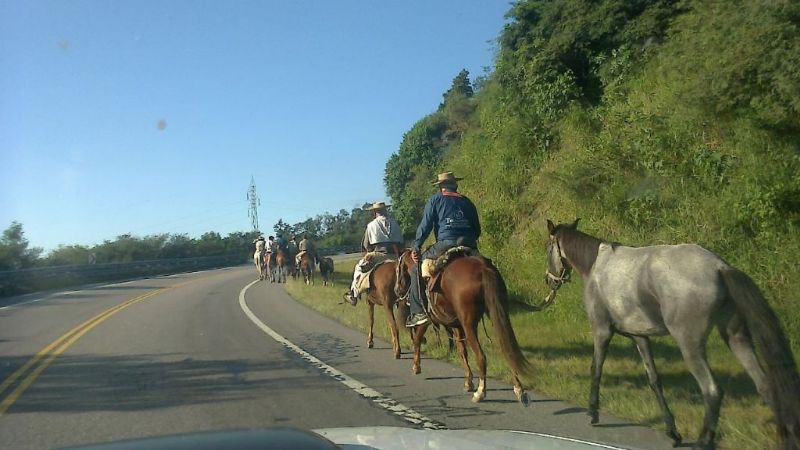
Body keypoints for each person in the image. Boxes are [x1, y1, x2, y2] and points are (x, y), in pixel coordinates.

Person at [406, 171, 481, 327]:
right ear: (456, 185)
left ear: (440, 187)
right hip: (469, 244)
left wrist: (417, 246)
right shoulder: (467, 201)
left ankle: (418, 312)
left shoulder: (436, 200)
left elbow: (425, 226)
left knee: (415, 270)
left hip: (445, 243)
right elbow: (477, 229)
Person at [343, 201, 404, 306]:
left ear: (375, 212)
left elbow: (366, 245)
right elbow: (401, 242)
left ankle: (354, 294)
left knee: (359, 268)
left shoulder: (371, 225)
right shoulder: (394, 223)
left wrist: (369, 253)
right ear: (385, 210)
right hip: (395, 256)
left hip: (378, 255)